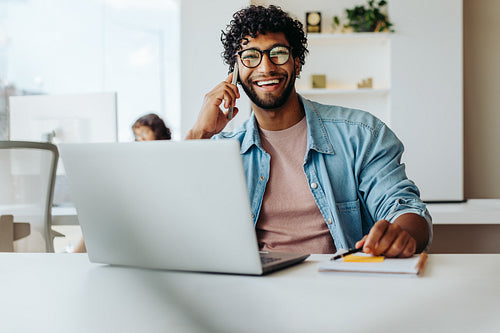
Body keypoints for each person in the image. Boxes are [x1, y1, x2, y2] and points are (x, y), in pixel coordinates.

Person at [186, 5, 432, 257]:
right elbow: (182, 224)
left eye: (278, 53)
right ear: (235, 72)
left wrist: (401, 234)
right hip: (255, 288)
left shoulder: (361, 134)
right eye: (250, 56)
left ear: (297, 63)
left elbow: (404, 207)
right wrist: (199, 134)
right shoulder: (221, 150)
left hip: (340, 282)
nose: (266, 68)